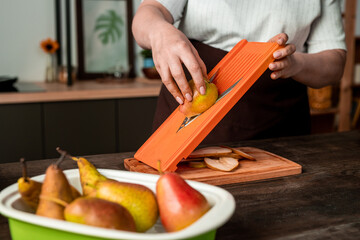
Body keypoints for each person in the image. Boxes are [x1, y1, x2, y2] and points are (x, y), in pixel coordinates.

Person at [132, 0, 347, 144]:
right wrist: (159, 31)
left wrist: (296, 64)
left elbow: (335, 63)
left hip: (280, 123)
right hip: (192, 110)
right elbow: (149, 12)